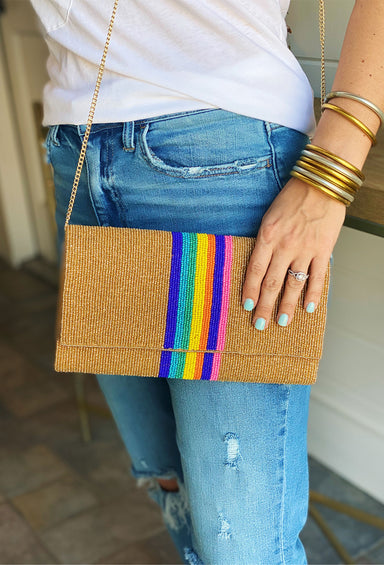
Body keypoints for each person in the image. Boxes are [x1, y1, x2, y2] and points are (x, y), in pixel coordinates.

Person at [31, 1, 384, 563]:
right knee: (164, 473)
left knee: (242, 547)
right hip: (76, 147)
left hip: (221, 150)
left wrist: (334, 165)